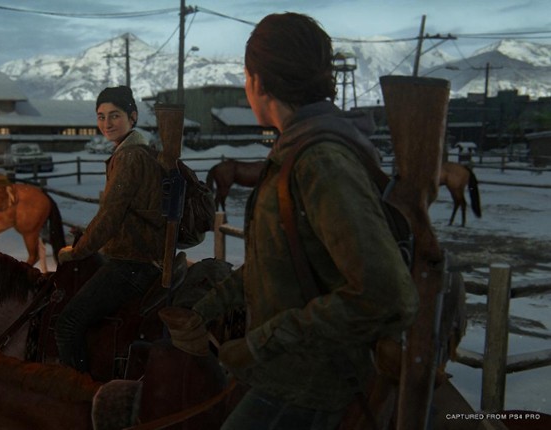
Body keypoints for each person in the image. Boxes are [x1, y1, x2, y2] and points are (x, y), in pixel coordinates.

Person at [160, 13, 419, 430]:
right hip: (287, 373)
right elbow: (275, 263)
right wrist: (206, 309)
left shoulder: (319, 161)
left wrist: (259, 344)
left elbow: (385, 294)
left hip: (311, 386)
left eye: (246, 76)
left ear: (258, 81)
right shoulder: (299, 149)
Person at [55, 86, 165, 373]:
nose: (106, 123)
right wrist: (90, 234)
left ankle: (76, 388)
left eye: (114, 115)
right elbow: (120, 213)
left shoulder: (129, 157)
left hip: (133, 263)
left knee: (67, 324)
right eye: (101, 116)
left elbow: (110, 215)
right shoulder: (137, 152)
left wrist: (77, 252)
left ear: (133, 116)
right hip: (139, 256)